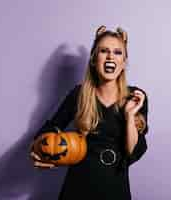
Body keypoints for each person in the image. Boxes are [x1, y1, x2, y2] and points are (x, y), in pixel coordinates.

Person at [30, 25, 149, 200]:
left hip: (115, 188)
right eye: (104, 51)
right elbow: (50, 130)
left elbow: (132, 151)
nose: (110, 56)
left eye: (117, 52)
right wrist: (39, 151)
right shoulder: (78, 95)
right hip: (77, 187)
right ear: (94, 59)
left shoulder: (136, 98)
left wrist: (130, 116)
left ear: (124, 62)